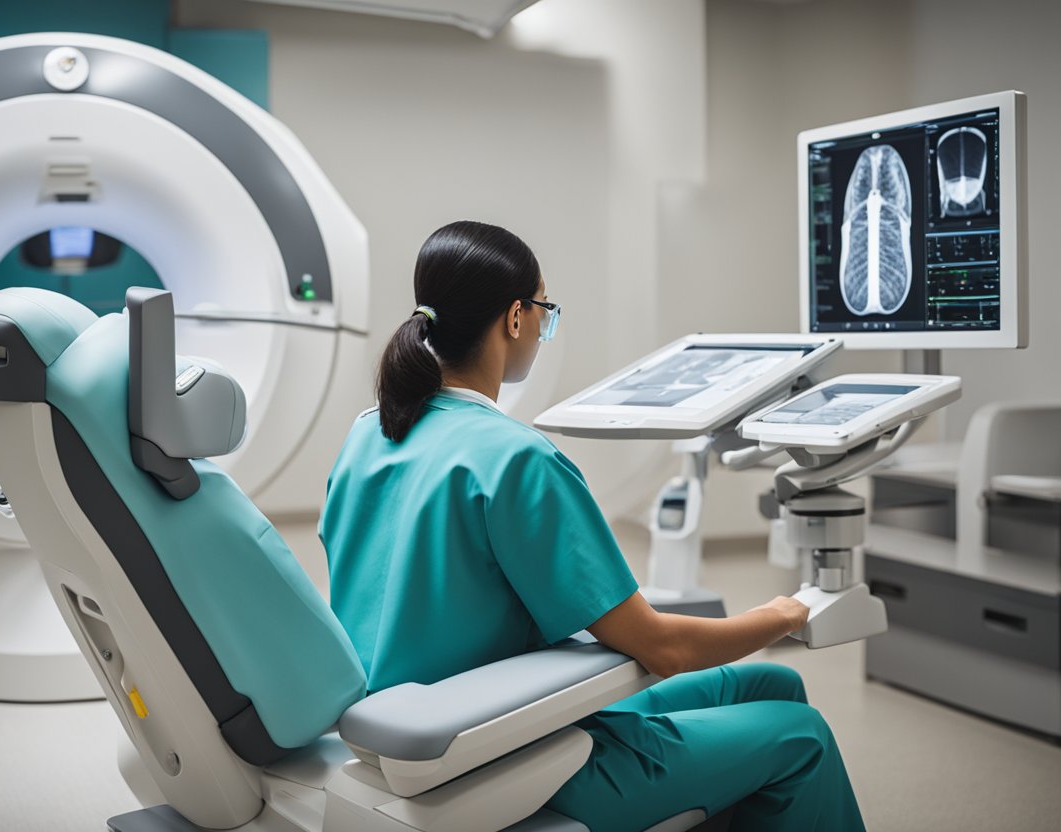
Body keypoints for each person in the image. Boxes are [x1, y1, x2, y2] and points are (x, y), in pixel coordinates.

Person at [319, 220, 866, 831]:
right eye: (544, 311)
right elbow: (662, 646)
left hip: (413, 721)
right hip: (507, 751)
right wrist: (785, 614)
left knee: (772, 683)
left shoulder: (369, 431)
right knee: (803, 732)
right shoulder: (518, 459)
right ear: (516, 318)